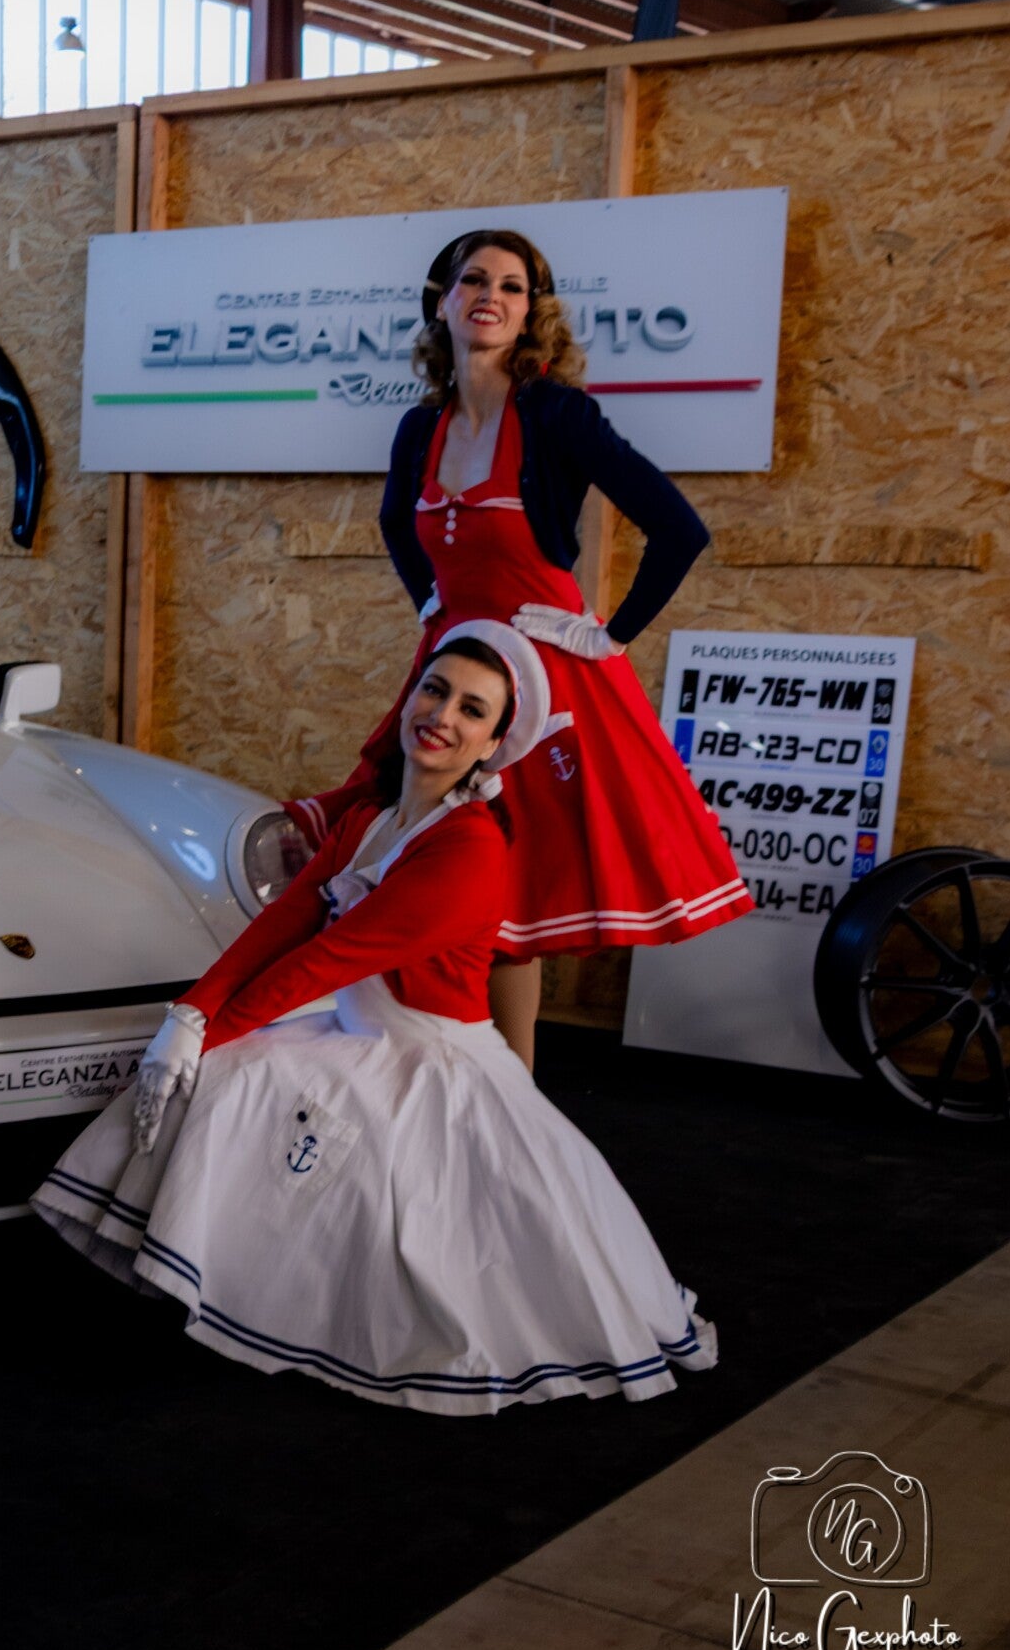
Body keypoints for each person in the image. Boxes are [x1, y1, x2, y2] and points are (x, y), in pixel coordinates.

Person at [36, 622, 716, 1416]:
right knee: (231, 1073)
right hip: (355, 1032)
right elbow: (285, 922)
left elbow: (325, 960)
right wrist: (188, 1014)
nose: (442, 716)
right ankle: (211, 1271)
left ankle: (270, 1296)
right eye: (434, 690)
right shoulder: (368, 817)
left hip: (432, 1061)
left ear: (492, 744)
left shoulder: (468, 850)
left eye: (471, 709)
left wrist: (199, 1037)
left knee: (344, 1168)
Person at [285, 232, 751, 1070]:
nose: (489, 297)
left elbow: (679, 529)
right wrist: (431, 601)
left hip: (543, 684)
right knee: (439, 867)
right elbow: (396, 522)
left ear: (531, 311)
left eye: (510, 286)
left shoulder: (555, 412)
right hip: (458, 666)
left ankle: (511, 1090)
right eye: (473, 280)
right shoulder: (418, 426)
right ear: (442, 300)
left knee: (513, 895)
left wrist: (607, 633)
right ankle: (454, 1071)